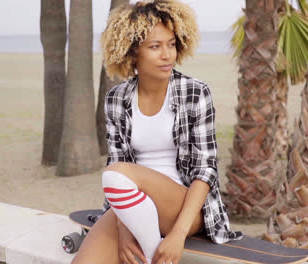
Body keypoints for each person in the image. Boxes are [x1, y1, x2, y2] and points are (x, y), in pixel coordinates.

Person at [72, 1, 240, 263]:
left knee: (115, 173)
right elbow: (119, 161)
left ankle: (153, 255)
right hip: (130, 206)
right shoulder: (117, 98)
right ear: (132, 52)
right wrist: (124, 229)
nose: (167, 55)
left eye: (171, 44)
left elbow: (205, 171)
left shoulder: (195, 93)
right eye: (155, 46)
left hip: (184, 208)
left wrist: (177, 235)